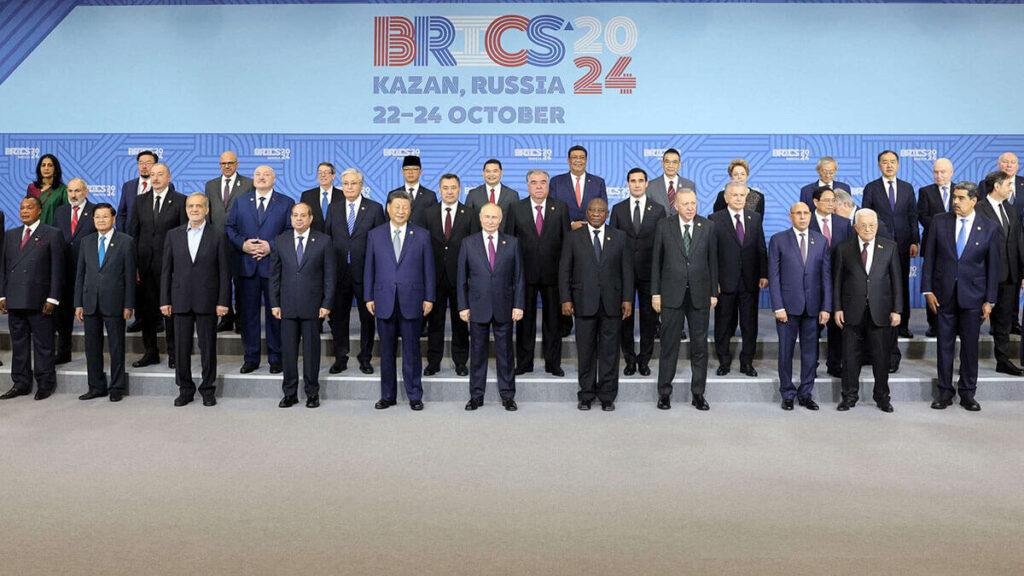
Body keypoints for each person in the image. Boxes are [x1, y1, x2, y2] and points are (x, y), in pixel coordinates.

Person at [921, 181, 999, 411]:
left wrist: (990, 300)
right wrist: (928, 290)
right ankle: (944, 392)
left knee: (970, 348)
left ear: (974, 200)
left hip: (974, 297)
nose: (955, 201)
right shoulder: (939, 221)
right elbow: (929, 258)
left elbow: (993, 268)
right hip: (943, 295)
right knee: (944, 346)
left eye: (961, 198)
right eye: (954, 197)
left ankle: (967, 393)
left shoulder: (990, 227)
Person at [365, 191, 435, 410]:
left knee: (412, 351)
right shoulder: (375, 234)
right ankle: (388, 396)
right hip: (384, 299)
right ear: (388, 208)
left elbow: (429, 269)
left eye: (405, 207)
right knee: (386, 352)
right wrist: (368, 296)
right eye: (397, 207)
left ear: (410, 210)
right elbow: (369, 268)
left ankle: (414, 395)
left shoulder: (422, 235)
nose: (401, 211)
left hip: (412, 300)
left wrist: (429, 297)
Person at [560, 198, 632, 411]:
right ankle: (586, 394)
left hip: (612, 303)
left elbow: (627, 271)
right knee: (586, 351)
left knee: (610, 352)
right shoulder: (573, 237)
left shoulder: (620, 237)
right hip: (583, 302)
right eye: (592, 210)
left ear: (607, 214)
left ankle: (607, 395)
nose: (596, 214)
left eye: (601, 210)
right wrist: (566, 299)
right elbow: (564, 270)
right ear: (586, 212)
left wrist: (627, 299)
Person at [160, 194, 231, 407]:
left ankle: (208, 389)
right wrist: (164, 300)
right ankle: (185, 389)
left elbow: (224, 272)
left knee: (207, 348)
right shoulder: (173, 235)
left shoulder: (218, 234)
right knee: (181, 348)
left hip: (208, 300)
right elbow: (166, 271)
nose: (194, 209)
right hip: (180, 299)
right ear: (186, 209)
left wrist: (223, 301)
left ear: (207, 210)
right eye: (190, 206)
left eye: (198, 206)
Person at [652, 188, 718, 411]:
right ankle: (664, 393)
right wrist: (656, 293)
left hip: (700, 295)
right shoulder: (664, 226)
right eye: (685, 204)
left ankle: (698, 393)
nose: (690, 208)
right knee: (669, 346)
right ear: (676, 206)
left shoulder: (707, 226)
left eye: (693, 203)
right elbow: (656, 262)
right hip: (671, 295)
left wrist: (713, 293)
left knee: (700, 347)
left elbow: (713, 261)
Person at [225, 165, 294, 374]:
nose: (261, 177)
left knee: (275, 315)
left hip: (274, 268)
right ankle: (251, 357)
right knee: (248, 316)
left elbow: (290, 230)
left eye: (266, 174)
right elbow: (230, 227)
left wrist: (271, 246)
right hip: (247, 267)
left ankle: (276, 357)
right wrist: (243, 244)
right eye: (257, 174)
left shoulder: (286, 202)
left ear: (274, 179)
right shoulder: (241, 201)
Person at [457, 203, 525, 411]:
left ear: (500, 219)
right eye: (486, 217)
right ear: (480, 218)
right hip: (477, 306)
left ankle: (508, 396)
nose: (490, 221)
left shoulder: (512, 243)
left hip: (505, 306)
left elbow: (519, 277)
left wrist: (518, 305)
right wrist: (463, 306)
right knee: (477, 354)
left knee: (505, 354)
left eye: (494, 217)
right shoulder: (468, 243)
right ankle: (476, 396)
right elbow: (461, 278)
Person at [832, 209, 902, 412]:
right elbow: (837, 281)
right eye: (863, 225)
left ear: (877, 226)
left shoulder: (889, 247)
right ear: (855, 227)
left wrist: (897, 309)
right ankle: (849, 396)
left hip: (881, 312)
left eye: (872, 225)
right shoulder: (843, 248)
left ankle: (882, 397)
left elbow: (897, 281)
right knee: (850, 357)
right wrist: (837, 308)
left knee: (881, 357)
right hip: (851, 311)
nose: (868, 229)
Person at [270, 203, 334, 409]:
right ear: (291, 218)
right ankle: (289, 393)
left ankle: (312, 393)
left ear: (310, 218)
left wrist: (326, 303)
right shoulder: (280, 241)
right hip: (287, 306)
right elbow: (274, 275)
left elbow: (329, 276)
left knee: (311, 353)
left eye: (303, 215)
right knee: (288, 352)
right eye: (295, 215)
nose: (299, 219)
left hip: (313, 306)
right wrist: (274, 303)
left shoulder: (323, 241)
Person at [767, 203, 831, 411]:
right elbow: (774, 276)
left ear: (810, 216)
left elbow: (826, 277)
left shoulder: (821, 241)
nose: (802, 217)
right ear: (790, 216)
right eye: (798, 213)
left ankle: (805, 393)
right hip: (787, 308)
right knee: (785, 352)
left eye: (806, 213)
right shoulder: (778, 240)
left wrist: (826, 307)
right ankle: (787, 393)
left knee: (810, 354)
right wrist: (778, 306)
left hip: (813, 307)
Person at [507, 170, 570, 377]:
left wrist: (565, 274)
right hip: (524, 275)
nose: (539, 186)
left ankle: (553, 364)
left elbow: (567, 244)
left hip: (553, 275)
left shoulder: (560, 208)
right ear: (528, 186)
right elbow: (509, 243)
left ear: (548, 185)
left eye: (543, 182)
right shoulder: (516, 208)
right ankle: (524, 363)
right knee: (525, 323)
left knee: (553, 322)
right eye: (534, 183)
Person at [0, 197, 63, 401]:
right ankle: (20, 383)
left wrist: (53, 298)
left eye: (29, 207)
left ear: (39, 211)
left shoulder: (52, 233)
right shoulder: (10, 235)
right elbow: (3, 267)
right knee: (19, 344)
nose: (24, 211)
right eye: (22, 208)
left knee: (43, 344)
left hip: (40, 299)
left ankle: (45, 383)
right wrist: (2, 294)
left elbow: (57, 269)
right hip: (15, 298)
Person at [325, 168, 385, 375]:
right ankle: (340, 357)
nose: (349, 187)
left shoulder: (375, 208)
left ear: (361, 185)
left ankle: (365, 358)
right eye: (346, 184)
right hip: (339, 273)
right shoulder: (333, 208)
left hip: (366, 274)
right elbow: (327, 239)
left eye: (353, 183)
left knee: (367, 319)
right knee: (338, 318)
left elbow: (381, 244)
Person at [128, 163, 187, 369]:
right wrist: (135, 265)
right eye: (152, 174)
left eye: (160, 174)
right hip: (145, 266)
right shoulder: (139, 201)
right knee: (147, 313)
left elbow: (183, 236)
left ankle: (174, 354)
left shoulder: (181, 201)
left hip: (170, 267)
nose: (155, 178)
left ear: (169, 177)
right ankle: (150, 352)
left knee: (170, 312)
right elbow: (134, 234)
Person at [74, 203, 134, 402]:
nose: (101, 220)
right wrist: (78, 303)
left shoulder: (126, 241)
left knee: (116, 347)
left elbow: (129, 276)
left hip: (115, 302)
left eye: (105, 216)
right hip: (90, 302)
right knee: (92, 348)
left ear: (113, 218)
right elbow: (80, 274)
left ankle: (116, 386)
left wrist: (128, 304)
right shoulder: (86, 241)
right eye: (97, 217)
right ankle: (96, 386)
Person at [609, 168, 665, 377]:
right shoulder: (618, 209)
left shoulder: (658, 210)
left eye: (641, 180)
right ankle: (630, 359)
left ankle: (644, 360)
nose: (637, 184)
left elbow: (661, 244)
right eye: (633, 181)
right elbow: (612, 243)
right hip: (624, 273)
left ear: (647, 183)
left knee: (649, 320)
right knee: (625, 318)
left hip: (650, 273)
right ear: (627, 184)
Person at [710, 181, 768, 377]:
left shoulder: (754, 218)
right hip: (725, 282)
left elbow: (761, 247)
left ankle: (747, 362)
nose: (738, 198)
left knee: (749, 324)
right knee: (724, 323)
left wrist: (764, 274)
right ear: (726, 197)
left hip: (750, 281)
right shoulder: (715, 219)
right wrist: (714, 281)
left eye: (742, 195)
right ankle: (724, 362)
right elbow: (712, 254)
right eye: (734, 195)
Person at [862, 150, 918, 339]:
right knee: (880, 284)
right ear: (879, 165)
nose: (889, 165)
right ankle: (880, 322)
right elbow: (866, 216)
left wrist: (914, 240)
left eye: (892, 161)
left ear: (898, 164)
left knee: (902, 284)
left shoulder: (907, 188)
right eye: (885, 162)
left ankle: (903, 325)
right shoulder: (871, 188)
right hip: (879, 246)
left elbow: (913, 216)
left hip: (903, 245)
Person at [975, 171, 1024, 376]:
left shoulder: (1010, 209)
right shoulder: (978, 209)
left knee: (1004, 322)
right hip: (983, 275)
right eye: (1008, 185)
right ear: (997, 186)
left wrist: (1022, 273)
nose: (1012, 188)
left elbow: (1019, 241)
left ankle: (1002, 361)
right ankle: (968, 363)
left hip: (1009, 275)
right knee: (973, 321)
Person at [423, 174, 471, 376]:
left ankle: (461, 362)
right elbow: (423, 246)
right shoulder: (428, 213)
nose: (449, 191)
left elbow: (474, 247)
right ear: (439, 190)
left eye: (453, 187)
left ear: (459, 189)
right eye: (445, 187)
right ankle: (433, 362)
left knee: (461, 322)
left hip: (461, 277)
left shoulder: (470, 214)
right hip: (434, 276)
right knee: (435, 322)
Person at [205, 150, 254, 334]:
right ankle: (226, 318)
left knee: (241, 283)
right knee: (220, 281)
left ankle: (241, 320)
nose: (227, 166)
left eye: (230, 163)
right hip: (217, 241)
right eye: (223, 163)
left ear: (237, 164)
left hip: (240, 242)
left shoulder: (248, 183)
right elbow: (207, 212)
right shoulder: (211, 185)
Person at [808, 186, 852, 377]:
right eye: (827, 200)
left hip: (838, 284)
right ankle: (811, 366)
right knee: (812, 327)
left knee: (837, 327)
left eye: (833, 200)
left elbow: (851, 254)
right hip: (813, 283)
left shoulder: (844, 224)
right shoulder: (807, 221)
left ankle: (834, 364)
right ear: (815, 202)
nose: (831, 204)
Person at [53, 177, 96, 364]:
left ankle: (93, 356)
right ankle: (64, 352)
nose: (73, 195)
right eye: (70, 191)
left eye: (77, 191)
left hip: (87, 271)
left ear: (86, 192)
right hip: (64, 271)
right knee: (63, 316)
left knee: (90, 316)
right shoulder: (60, 212)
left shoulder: (95, 211)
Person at [917, 158, 955, 338]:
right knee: (931, 284)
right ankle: (933, 324)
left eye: (942, 172)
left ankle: (954, 323)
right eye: (936, 172)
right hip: (933, 243)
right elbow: (922, 216)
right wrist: (942, 229)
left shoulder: (960, 190)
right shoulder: (925, 191)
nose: (939, 175)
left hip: (957, 246)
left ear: (951, 172)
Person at [549, 145, 608, 230]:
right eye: (574, 157)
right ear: (568, 161)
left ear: (586, 161)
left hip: (591, 231)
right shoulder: (556, 182)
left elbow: (603, 208)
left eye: (582, 157)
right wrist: (570, 224)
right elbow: (552, 209)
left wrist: (589, 225)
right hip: (564, 232)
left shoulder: (598, 182)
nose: (578, 160)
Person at [117, 150, 173, 237]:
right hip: (131, 235)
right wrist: (122, 236)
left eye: (148, 163)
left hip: (157, 236)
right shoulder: (128, 186)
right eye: (140, 163)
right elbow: (122, 214)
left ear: (156, 165)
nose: (144, 166)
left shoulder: (166, 185)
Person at [464, 159, 519, 228]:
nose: (491, 174)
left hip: (504, 234)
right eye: (488, 171)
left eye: (495, 171)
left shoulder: (512, 195)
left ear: (501, 173)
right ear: (483, 173)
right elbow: (467, 220)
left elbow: (516, 221)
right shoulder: (473, 194)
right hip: (479, 234)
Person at [387, 155, 436, 227]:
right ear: (402, 172)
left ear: (420, 172)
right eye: (407, 169)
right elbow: (387, 220)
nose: (410, 172)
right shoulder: (393, 194)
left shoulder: (430, 195)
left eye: (414, 169)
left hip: (422, 233)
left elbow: (434, 221)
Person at [647, 148, 696, 218]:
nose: (670, 165)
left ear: (679, 165)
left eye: (674, 162)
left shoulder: (689, 185)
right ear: (662, 164)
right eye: (667, 162)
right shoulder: (650, 186)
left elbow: (692, 212)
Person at [300, 161, 343, 233]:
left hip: (337, 237)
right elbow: (303, 219)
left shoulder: (343, 195)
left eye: (326, 172)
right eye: (320, 172)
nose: (322, 175)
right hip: (314, 237)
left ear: (333, 176)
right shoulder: (307, 196)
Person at [26, 153, 67, 226]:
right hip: (33, 229)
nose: (46, 168)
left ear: (55, 169)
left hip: (53, 230)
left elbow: (66, 214)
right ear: (39, 168)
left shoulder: (62, 190)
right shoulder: (32, 187)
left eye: (50, 165)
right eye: (43, 165)